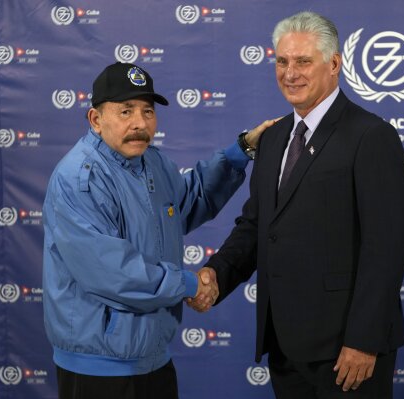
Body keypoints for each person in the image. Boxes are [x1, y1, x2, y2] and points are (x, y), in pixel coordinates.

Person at [193, 11, 404, 399]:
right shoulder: (274, 137)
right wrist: (216, 275)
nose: (290, 73)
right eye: (282, 61)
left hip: (346, 350)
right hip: (285, 344)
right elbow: (257, 225)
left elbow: (386, 249)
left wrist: (364, 340)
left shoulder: (371, 136)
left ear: (334, 63)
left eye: (303, 61)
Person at [42, 61, 273, 399]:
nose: (139, 123)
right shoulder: (80, 179)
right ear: (95, 119)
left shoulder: (152, 161)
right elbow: (113, 272)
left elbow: (189, 202)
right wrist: (191, 284)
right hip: (99, 368)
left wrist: (242, 152)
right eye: (125, 111)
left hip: (153, 359)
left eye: (147, 111)